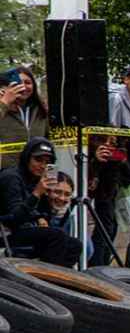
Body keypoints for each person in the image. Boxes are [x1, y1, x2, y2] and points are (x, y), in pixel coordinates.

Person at [0, 138, 82, 266]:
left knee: (74, 244)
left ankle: (58, 276)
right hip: (6, 232)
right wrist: (37, 193)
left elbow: (43, 215)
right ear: (27, 159)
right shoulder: (10, 177)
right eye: (38, 160)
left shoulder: (37, 179)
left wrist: (42, 212)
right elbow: (14, 218)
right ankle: (47, 276)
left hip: (25, 229)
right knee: (56, 236)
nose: (43, 166)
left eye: (47, 162)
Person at [0, 67, 49, 169]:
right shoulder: (3, 107)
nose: (23, 87)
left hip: (35, 171)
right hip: (7, 172)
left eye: (28, 83)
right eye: (18, 83)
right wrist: (5, 102)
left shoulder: (41, 110)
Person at [41, 171, 94, 260]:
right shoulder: (37, 214)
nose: (62, 198)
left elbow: (87, 251)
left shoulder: (71, 217)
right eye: (57, 192)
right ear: (47, 191)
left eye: (67, 194)